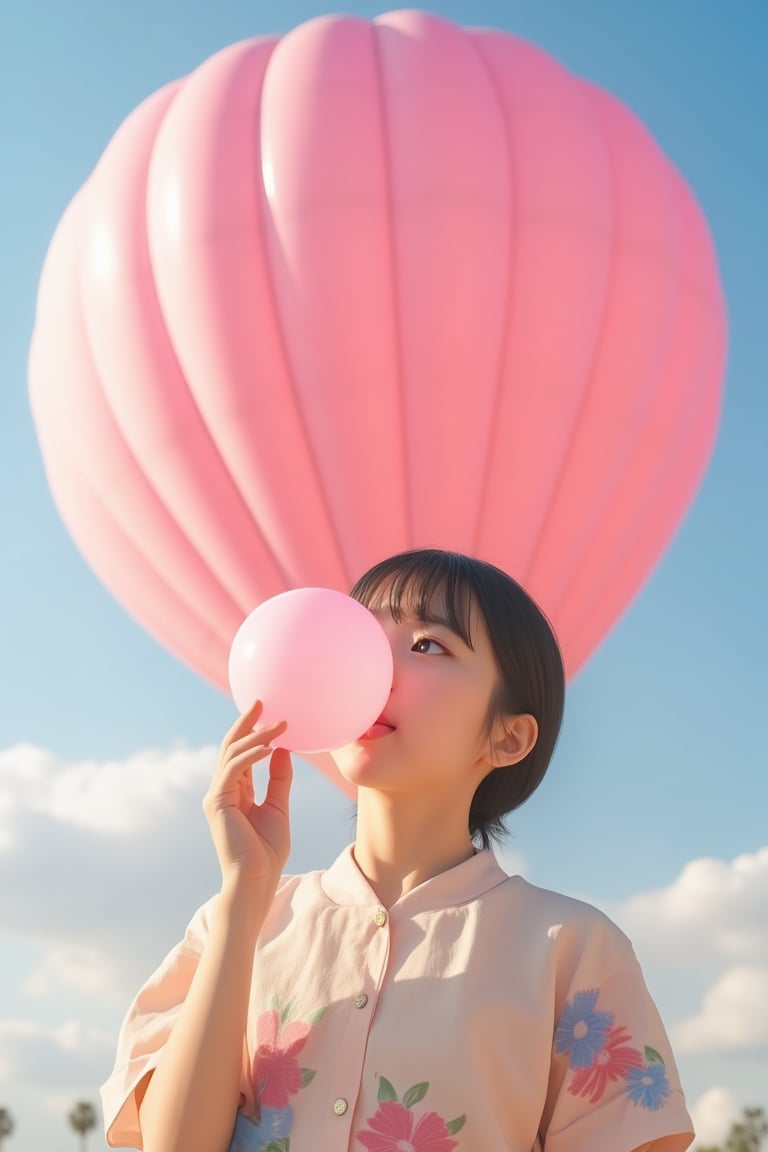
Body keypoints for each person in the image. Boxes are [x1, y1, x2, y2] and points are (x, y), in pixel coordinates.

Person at [100, 549, 694, 1152]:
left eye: (427, 644)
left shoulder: (574, 948)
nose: (370, 667)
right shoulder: (235, 924)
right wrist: (244, 894)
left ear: (507, 736)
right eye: (361, 637)